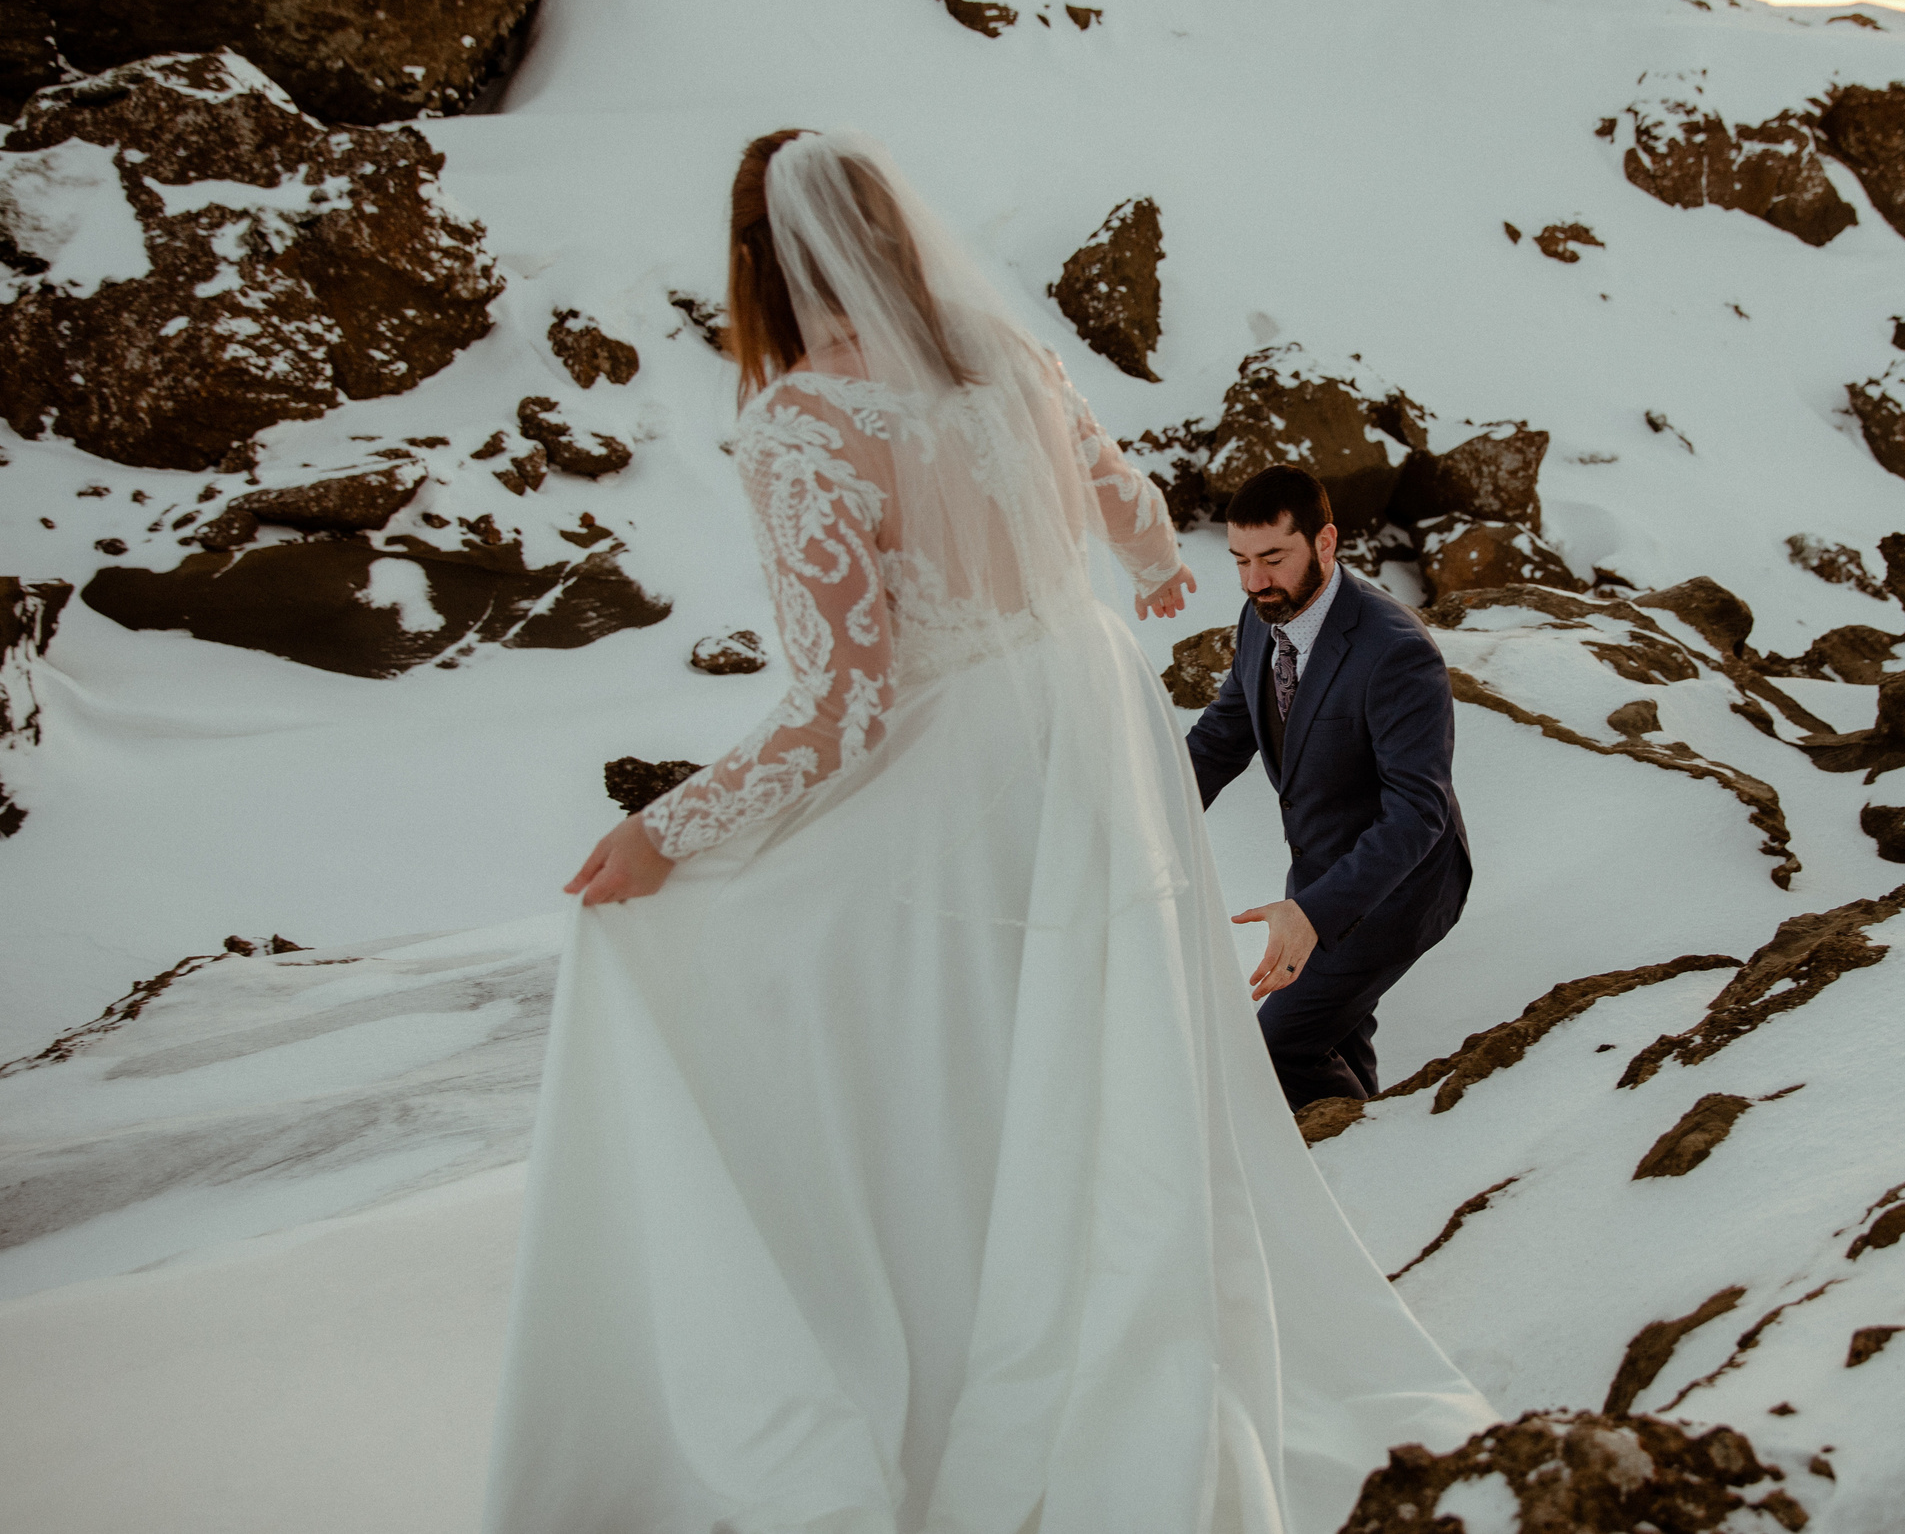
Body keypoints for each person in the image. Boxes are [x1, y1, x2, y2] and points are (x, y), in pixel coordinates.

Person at [482, 129, 1490, 1534]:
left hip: (958, 758)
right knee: (1082, 1041)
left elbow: (844, 704)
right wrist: (1132, 585)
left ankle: (936, 1329)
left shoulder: (798, 419)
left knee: (838, 1004)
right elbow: (1134, 513)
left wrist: (667, 828)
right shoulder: (999, 352)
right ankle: (1081, 1319)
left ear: (761, 260)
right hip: (1092, 729)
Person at [1185, 468, 1472, 1111]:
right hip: (1315, 875)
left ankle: (1376, 1152)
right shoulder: (1261, 617)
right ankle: (1354, 1167)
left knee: (1280, 1048)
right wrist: (1142, 813)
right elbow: (1221, 738)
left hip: (1398, 887)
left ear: (1325, 542)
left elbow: (1416, 813)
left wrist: (1315, 912)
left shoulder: (1396, 652)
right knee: (1334, 1037)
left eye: (1272, 558)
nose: (1254, 581)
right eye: (1239, 561)